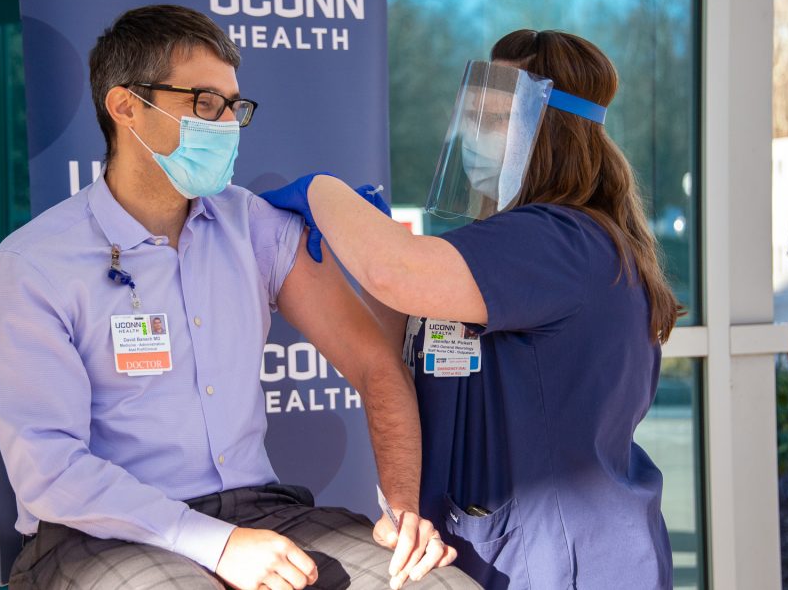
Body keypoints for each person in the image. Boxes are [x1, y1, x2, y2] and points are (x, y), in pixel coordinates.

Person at [0, 5, 476, 590]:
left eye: (234, 106)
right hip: (99, 535)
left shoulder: (254, 227)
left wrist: (402, 512)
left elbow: (374, 364)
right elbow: (49, 471)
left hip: (262, 513)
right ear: (126, 105)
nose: (226, 123)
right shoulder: (33, 266)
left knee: (440, 586)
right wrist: (217, 546)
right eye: (204, 103)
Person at [260, 29, 679, 588]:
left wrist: (321, 192)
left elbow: (396, 271)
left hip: (565, 558)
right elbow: (401, 346)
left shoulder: (556, 240)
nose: (471, 131)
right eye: (474, 112)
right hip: (499, 550)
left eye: (496, 117)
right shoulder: (515, 245)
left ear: (549, 129)